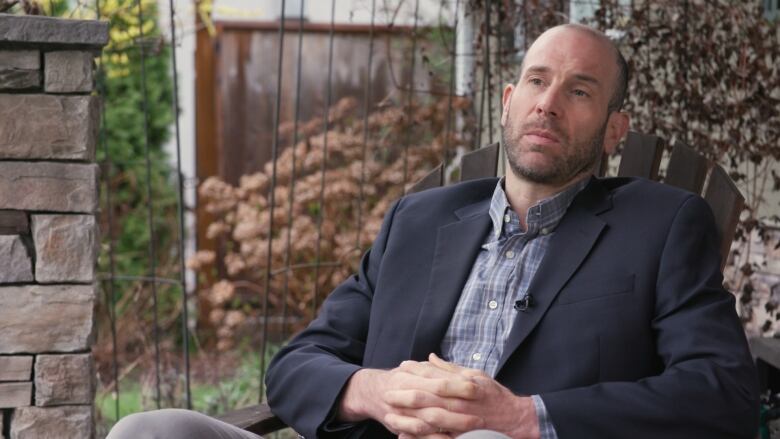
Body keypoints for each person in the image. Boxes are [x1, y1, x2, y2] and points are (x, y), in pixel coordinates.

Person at [107, 23, 759, 439]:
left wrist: (522, 417)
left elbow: (723, 391)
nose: (548, 103)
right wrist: (374, 390)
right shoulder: (418, 221)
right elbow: (296, 365)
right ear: (507, 101)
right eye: (536, 80)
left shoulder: (662, 226)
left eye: (580, 91)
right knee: (147, 429)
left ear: (616, 130)